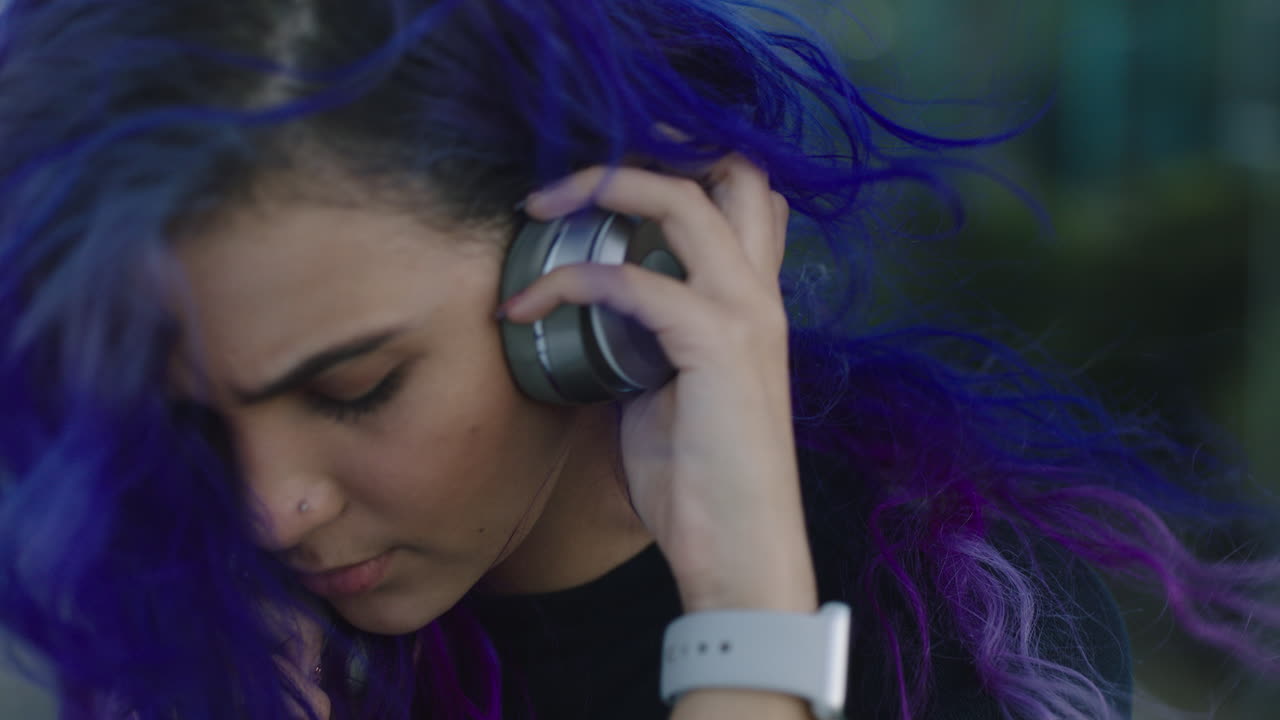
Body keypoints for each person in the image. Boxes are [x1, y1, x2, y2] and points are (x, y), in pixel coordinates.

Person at [0, 1, 1275, 719]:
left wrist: (747, 629)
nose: (270, 506)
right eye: (193, 422)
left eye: (354, 388)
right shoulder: (210, 644)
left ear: (599, 266)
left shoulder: (955, 613)